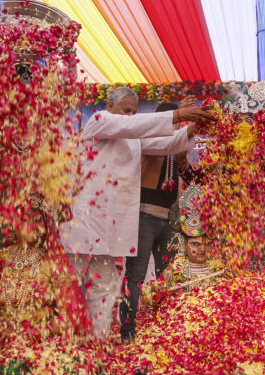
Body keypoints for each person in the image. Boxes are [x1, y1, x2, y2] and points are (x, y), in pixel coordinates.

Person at [62, 87, 214, 342]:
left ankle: (96, 342)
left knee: (105, 287)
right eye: (126, 110)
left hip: (109, 229)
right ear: (110, 107)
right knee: (70, 284)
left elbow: (167, 144)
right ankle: (64, 343)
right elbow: (132, 125)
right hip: (85, 223)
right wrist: (177, 115)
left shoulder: (133, 137)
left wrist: (194, 128)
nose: (131, 116)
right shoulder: (99, 120)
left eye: (134, 111)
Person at [120, 97, 196, 343]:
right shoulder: (146, 142)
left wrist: (183, 158)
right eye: (173, 123)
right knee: (136, 275)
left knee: (169, 276)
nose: (177, 129)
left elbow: (188, 177)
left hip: (169, 222)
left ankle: (165, 327)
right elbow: (165, 144)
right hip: (144, 217)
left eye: (178, 124)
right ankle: (127, 331)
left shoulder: (174, 147)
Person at [0, 194, 89, 343]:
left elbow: (72, 318)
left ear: (46, 225)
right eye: (24, 219)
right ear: (12, 224)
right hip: (2, 340)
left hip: (41, 344)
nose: (31, 225)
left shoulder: (55, 263)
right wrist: (0, 328)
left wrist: (34, 334)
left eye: (38, 219)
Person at [141, 185, 224, 309]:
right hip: (184, 316)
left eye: (207, 245)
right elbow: (148, 298)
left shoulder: (218, 267)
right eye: (196, 244)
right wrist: (155, 290)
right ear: (185, 244)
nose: (202, 249)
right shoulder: (177, 268)